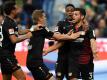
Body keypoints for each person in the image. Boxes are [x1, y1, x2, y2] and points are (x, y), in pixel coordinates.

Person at [26, 9, 83, 80]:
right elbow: (57, 37)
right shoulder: (41, 28)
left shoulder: (33, 28)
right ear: (40, 18)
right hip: (36, 62)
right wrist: (71, 37)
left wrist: (66, 35)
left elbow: (53, 37)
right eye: (44, 16)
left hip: (30, 61)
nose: (45, 18)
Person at [44, 8, 97, 80]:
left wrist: (94, 51)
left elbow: (92, 41)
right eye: (73, 14)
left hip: (86, 61)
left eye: (76, 14)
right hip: (73, 62)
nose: (73, 16)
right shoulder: (69, 29)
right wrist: (49, 50)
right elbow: (62, 42)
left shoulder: (88, 29)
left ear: (82, 17)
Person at [0, 1, 33, 80]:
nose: (18, 9)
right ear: (12, 10)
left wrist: (32, 30)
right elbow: (14, 40)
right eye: (16, 8)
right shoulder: (9, 23)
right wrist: (27, 36)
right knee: (22, 78)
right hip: (6, 55)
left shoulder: (10, 21)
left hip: (4, 55)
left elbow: (19, 32)